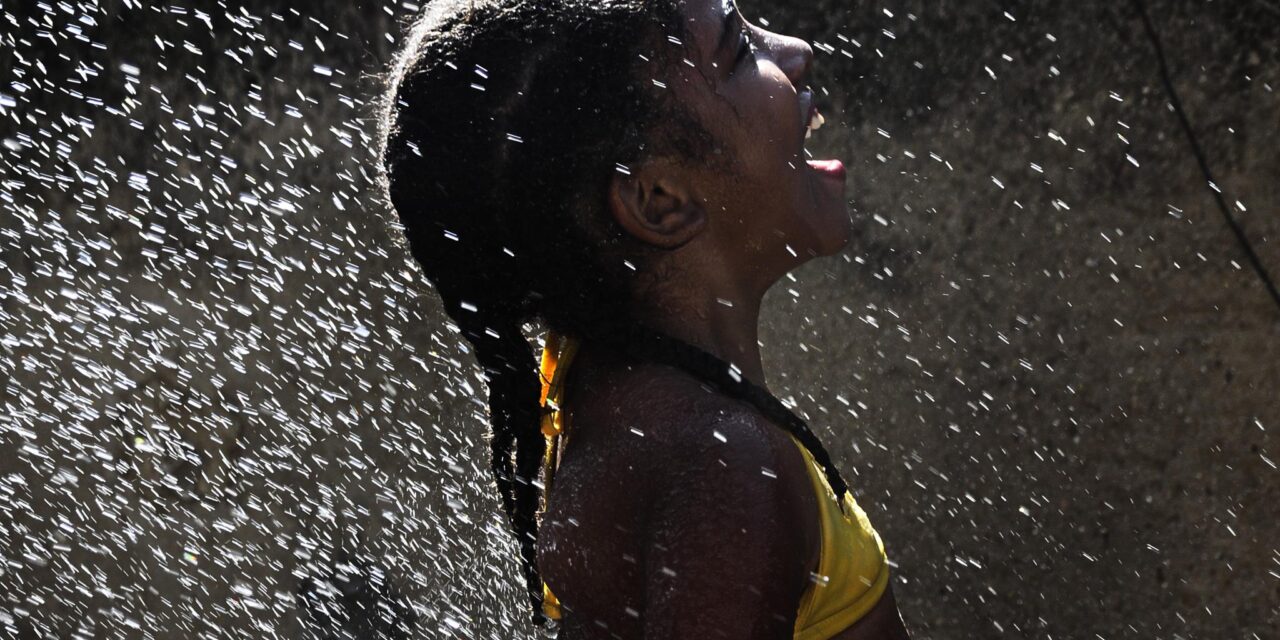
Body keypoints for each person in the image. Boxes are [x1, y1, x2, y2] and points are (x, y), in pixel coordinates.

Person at [377, 0, 911, 637]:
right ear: (658, 200)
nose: (797, 52)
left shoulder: (596, 388)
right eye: (740, 52)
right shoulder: (725, 466)